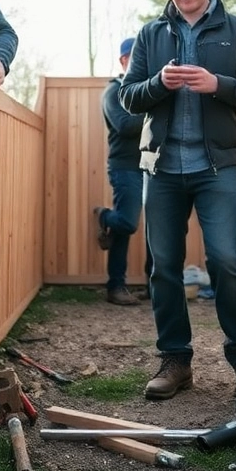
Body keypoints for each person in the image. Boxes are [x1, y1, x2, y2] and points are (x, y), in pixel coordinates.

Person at [119, 0, 236, 401]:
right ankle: (175, 361)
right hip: (162, 168)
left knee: (226, 260)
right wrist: (157, 85)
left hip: (217, 166)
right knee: (164, 267)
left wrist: (217, 84)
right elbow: (129, 98)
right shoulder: (151, 34)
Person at [93, 37, 149, 306]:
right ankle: (103, 216)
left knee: (157, 230)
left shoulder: (146, 91)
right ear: (123, 61)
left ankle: (149, 286)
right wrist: (155, 112)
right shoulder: (113, 92)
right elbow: (125, 125)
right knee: (126, 224)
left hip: (153, 166)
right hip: (125, 167)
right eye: (135, 58)